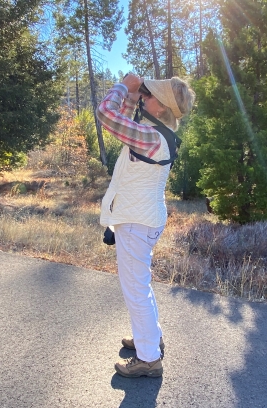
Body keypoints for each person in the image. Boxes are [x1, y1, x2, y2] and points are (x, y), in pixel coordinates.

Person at [96, 74, 195, 378]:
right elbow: (123, 123)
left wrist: (123, 87)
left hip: (137, 222)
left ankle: (149, 359)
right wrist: (132, 96)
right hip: (142, 218)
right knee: (140, 286)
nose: (143, 97)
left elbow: (106, 115)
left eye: (148, 95)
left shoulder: (151, 138)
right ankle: (149, 338)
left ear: (161, 107)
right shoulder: (156, 134)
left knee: (135, 291)